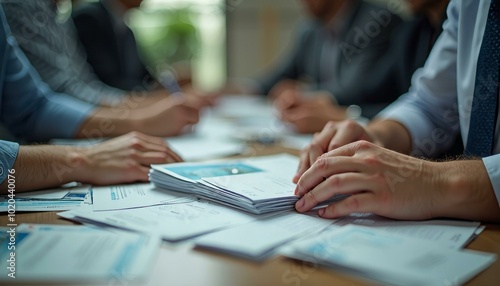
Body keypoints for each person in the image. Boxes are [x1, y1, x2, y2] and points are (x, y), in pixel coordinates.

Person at [293, 0, 500, 223]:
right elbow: (429, 106)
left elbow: (362, 87)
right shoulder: (467, 5)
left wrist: (433, 181)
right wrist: (374, 136)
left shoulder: (381, 21)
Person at [0, 6, 182, 193]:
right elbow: (70, 88)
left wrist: (141, 118)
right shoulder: (19, 7)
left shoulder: (51, 14)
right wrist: (81, 159)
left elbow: (34, 108)